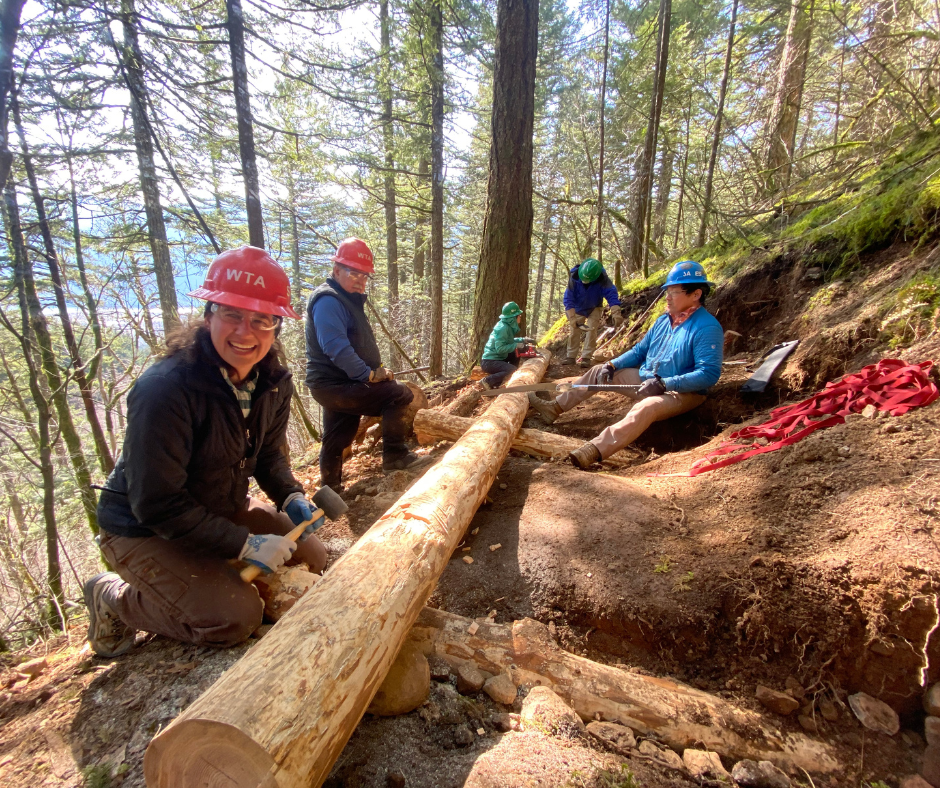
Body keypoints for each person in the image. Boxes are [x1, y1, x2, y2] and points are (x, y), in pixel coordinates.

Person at [84, 247, 328, 658]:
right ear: (209, 313)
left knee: (312, 556)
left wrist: (290, 494)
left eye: (261, 319)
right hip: (142, 527)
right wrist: (243, 545)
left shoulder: (272, 383)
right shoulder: (166, 389)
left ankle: (210, 574)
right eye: (232, 314)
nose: (245, 332)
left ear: (277, 326)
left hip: (214, 505)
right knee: (234, 618)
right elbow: (157, 503)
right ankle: (112, 597)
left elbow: (268, 455)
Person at [530, 260, 723, 469]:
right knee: (598, 371)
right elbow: (639, 351)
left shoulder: (707, 327)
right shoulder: (662, 321)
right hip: (648, 379)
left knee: (646, 407)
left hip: (681, 393)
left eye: (674, 292)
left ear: (696, 294)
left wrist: (666, 384)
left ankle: (594, 450)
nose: (667, 297)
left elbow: (708, 374)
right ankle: (556, 407)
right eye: (667, 291)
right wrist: (612, 364)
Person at [305, 237, 431, 491]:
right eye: (354, 273)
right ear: (337, 270)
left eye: (364, 275)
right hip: (336, 384)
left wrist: (372, 371)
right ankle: (395, 456)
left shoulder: (345, 299)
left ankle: (330, 488)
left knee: (340, 432)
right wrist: (368, 375)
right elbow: (336, 348)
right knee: (398, 393)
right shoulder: (329, 301)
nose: (361, 280)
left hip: (337, 383)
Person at [563, 257, 623, 367]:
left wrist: (616, 312)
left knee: (592, 331)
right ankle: (571, 356)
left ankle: (586, 357)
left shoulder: (603, 279)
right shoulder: (574, 277)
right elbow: (568, 298)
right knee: (574, 331)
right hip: (577, 307)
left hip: (595, 307)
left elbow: (611, 295)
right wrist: (572, 318)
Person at [480, 301, 532, 389]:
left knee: (516, 353)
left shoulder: (506, 325)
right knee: (512, 370)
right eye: (519, 315)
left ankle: (502, 381)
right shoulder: (503, 328)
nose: (520, 317)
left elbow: (509, 341)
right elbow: (500, 349)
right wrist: (517, 345)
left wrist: (523, 340)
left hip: (498, 357)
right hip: (490, 361)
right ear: (513, 317)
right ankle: (487, 381)